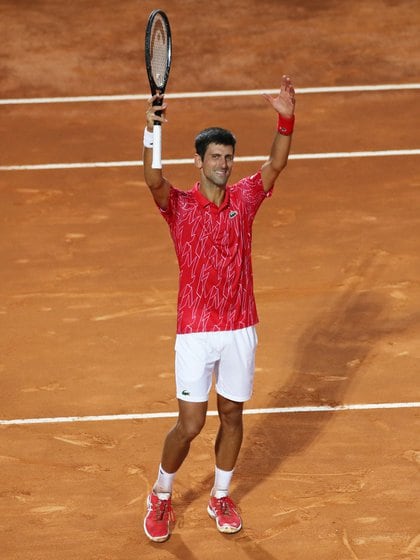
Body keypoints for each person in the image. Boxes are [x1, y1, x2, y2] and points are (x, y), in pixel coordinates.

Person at [142, 75, 296, 543]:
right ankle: (162, 494)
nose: (225, 165)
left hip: (240, 327)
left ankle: (220, 495)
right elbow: (152, 177)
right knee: (191, 424)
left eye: (229, 158)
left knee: (233, 414)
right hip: (195, 330)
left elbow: (275, 163)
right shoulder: (181, 206)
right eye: (216, 158)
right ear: (199, 161)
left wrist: (286, 116)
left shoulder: (245, 199)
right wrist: (152, 130)